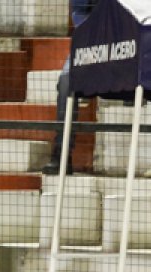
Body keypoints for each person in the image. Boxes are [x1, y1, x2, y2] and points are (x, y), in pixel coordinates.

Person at [41, 0, 98, 175]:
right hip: (91, 40)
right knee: (66, 82)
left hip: (125, 42)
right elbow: (78, 14)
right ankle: (61, 153)